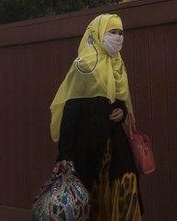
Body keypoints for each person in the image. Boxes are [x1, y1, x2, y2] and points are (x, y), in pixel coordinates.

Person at [50, 13, 143, 219]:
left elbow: (118, 101)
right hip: (89, 147)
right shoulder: (84, 65)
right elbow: (71, 111)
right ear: (98, 33)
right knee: (92, 202)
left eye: (121, 33)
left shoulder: (118, 65)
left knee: (127, 188)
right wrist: (64, 154)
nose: (118, 37)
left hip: (115, 145)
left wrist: (122, 111)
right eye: (112, 32)